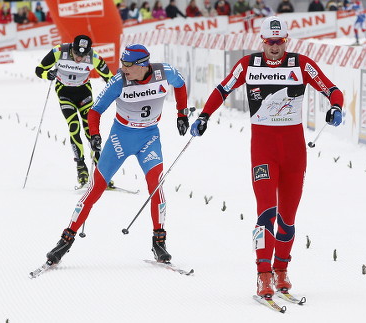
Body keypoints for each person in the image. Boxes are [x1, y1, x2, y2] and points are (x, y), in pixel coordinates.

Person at [190, 16, 344, 298]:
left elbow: (332, 89)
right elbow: (223, 88)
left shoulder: (301, 63)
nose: (275, 47)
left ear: (287, 41)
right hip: (263, 148)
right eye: (270, 42)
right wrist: (204, 116)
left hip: (294, 150)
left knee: (287, 216)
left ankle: (282, 270)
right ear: (262, 41)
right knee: (265, 213)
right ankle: (263, 274)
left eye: (280, 42)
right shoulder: (249, 64)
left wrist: (335, 108)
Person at [44, 44, 190, 266]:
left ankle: (159, 241)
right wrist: (94, 135)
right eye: (122, 63)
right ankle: (65, 240)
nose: (122, 68)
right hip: (120, 139)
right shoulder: (119, 80)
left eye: (128, 65)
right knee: (95, 190)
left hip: (149, 138)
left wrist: (182, 113)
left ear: (143, 65)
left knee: (156, 187)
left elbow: (180, 85)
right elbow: (95, 110)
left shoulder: (164, 72)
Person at [35, 35, 114, 186]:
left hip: (84, 93)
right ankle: (81, 167)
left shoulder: (94, 57)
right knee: (74, 127)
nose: (79, 58)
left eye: (83, 55)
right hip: (64, 93)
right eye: (77, 54)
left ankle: (101, 172)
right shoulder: (59, 52)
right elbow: (39, 70)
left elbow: (109, 78)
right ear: (72, 48)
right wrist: (48, 74)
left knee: (90, 130)